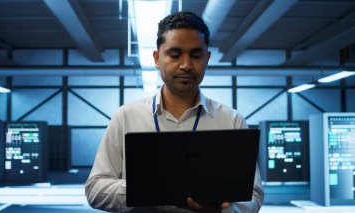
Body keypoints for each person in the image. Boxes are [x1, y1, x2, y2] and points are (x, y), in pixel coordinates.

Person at [85, 11, 264, 213]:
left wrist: (224, 211)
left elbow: (253, 194)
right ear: (157, 58)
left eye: (196, 55)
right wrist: (146, 189)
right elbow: (95, 189)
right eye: (175, 54)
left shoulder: (232, 120)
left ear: (207, 58)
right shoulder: (126, 117)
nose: (186, 65)